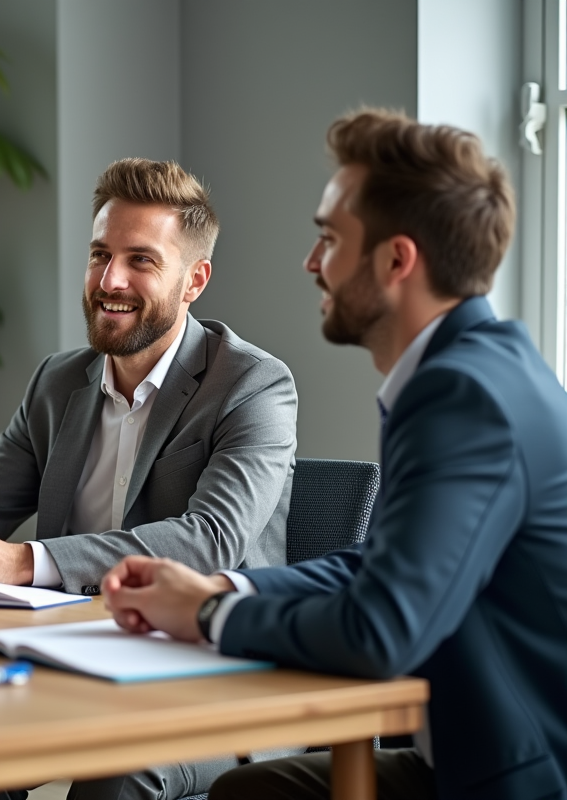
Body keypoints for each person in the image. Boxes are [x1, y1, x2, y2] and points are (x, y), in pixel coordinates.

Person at [103, 110, 567, 800]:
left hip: (516, 776)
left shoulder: (459, 397)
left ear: (396, 259)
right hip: (476, 749)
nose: (311, 262)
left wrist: (204, 617)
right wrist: (223, 588)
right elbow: (384, 569)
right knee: (255, 792)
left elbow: (379, 630)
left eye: (328, 239)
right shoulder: (483, 366)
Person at [0, 158, 299, 800]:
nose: (111, 280)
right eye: (100, 254)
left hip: (218, 679)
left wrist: (25, 560)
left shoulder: (253, 385)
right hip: (73, 660)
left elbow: (210, 539)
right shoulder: (59, 380)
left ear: (195, 281)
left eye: (142, 260)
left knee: (116, 771)